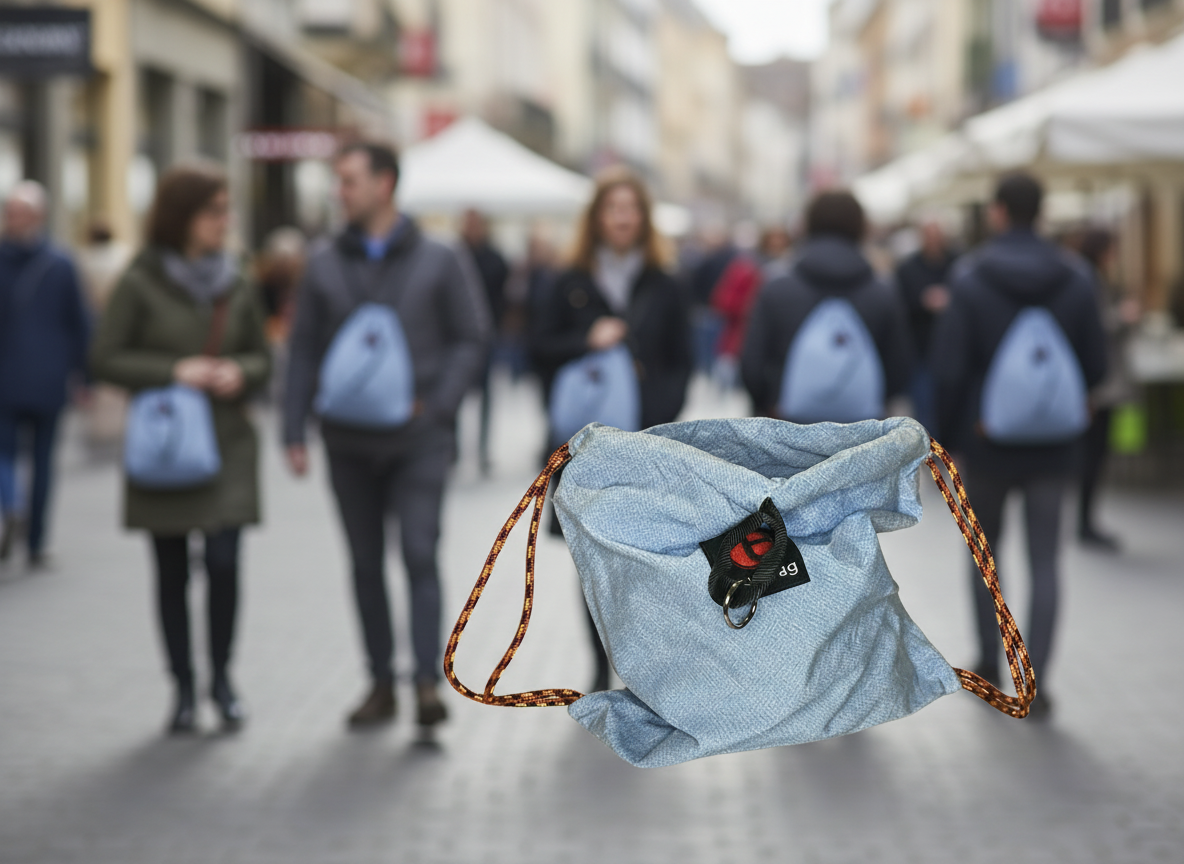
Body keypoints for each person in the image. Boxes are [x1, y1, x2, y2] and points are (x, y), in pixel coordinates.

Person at [283, 143, 490, 729]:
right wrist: (293, 427)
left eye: (349, 180)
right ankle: (380, 683)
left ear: (385, 183)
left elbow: (472, 337)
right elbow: (302, 347)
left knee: (420, 554)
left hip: (419, 439)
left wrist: (438, 406)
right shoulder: (323, 260)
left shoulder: (440, 258)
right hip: (347, 440)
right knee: (364, 563)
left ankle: (425, 684)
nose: (339, 191)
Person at [91, 163, 271, 733]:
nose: (225, 220)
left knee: (224, 562)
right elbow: (104, 358)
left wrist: (239, 372)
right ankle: (184, 688)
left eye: (226, 210)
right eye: (214, 211)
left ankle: (222, 679)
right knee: (171, 571)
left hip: (227, 443)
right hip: (166, 447)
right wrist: (174, 370)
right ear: (182, 215)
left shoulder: (237, 278)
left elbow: (263, 357)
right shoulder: (140, 279)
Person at [929, 173, 1107, 719]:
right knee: (1046, 560)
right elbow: (1097, 364)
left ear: (999, 211)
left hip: (987, 441)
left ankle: (990, 659)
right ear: (1042, 211)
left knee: (986, 555)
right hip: (1056, 444)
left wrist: (949, 436)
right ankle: (1038, 682)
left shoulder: (970, 276)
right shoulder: (1077, 277)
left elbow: (950, 368)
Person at [531, 166, 693, 692]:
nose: (622, 218)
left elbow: (682, 360)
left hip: (646, 444)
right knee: (593, 559)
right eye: (612, 209)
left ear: (644, 218)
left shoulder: (665, 283)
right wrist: (587, 341)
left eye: (631, 209)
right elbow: (538, 350)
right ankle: (600, 664)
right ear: (596, 217)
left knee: (641, 559)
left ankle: (636, 664)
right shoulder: (568, 282)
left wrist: (658, 416)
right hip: (587, 446)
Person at [741, 190, 913, 419]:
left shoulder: (776, 287)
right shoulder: (883, 292)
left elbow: (751, 365)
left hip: (788, 424)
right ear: (860, 227)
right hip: (861, 427)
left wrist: (770, 402)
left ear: (808, 225)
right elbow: (900, 367)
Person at [0, 181, 91, 567]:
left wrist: (85, 375)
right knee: (29, 459)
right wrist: (83, 374)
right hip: (38, 378)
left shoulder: (60, 264)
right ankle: (30, 533)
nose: (13, 220)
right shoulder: (60, 262)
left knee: (25, 458)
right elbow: (81, 323)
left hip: (24, 379)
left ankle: (18, 513)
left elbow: (79, 323)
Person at [1075, 228, 1138, 551]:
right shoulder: (1088, 279)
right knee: (1094, 452)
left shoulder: (1087, 277)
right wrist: (1123, 317)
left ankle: (1085, 520)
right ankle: (1085, 522)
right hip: (1099, 382)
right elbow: (1095, 326)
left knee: (1095, 451)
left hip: (1097, 381)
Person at [76, 220, 135, 456]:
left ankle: (99, 416)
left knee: (98, 369)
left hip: (93, 320)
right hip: (118, 320)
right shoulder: (123, 256)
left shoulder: (84, 259)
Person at [894, 219, 956, 432]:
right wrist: (923, 302)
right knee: (924, 408)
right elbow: (900, 308)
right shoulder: (907, 269)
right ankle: (929, 445)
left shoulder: (957, 264)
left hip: (952, 349)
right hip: (920, 349)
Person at [460, 209, 509, 475]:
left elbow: (504, 294)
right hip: (459, 335)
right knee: (457, 392)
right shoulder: (456, 254)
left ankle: (482, 450)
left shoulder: (494, 258)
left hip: (488, 335)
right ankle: (454, 451)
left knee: (487, 397)